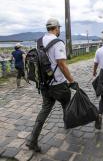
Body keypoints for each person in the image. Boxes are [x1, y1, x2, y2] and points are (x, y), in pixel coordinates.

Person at [26, 18, 79, 152]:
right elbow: (61, 64)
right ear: (56, 28)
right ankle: (68, 124)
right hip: (58, 84)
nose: (59, 30)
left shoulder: (39, 42)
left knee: (44, 110)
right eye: (59, 28)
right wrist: (71, 81)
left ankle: (33, 140)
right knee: (66, 104)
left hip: (44, 84)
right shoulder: (58, 43)